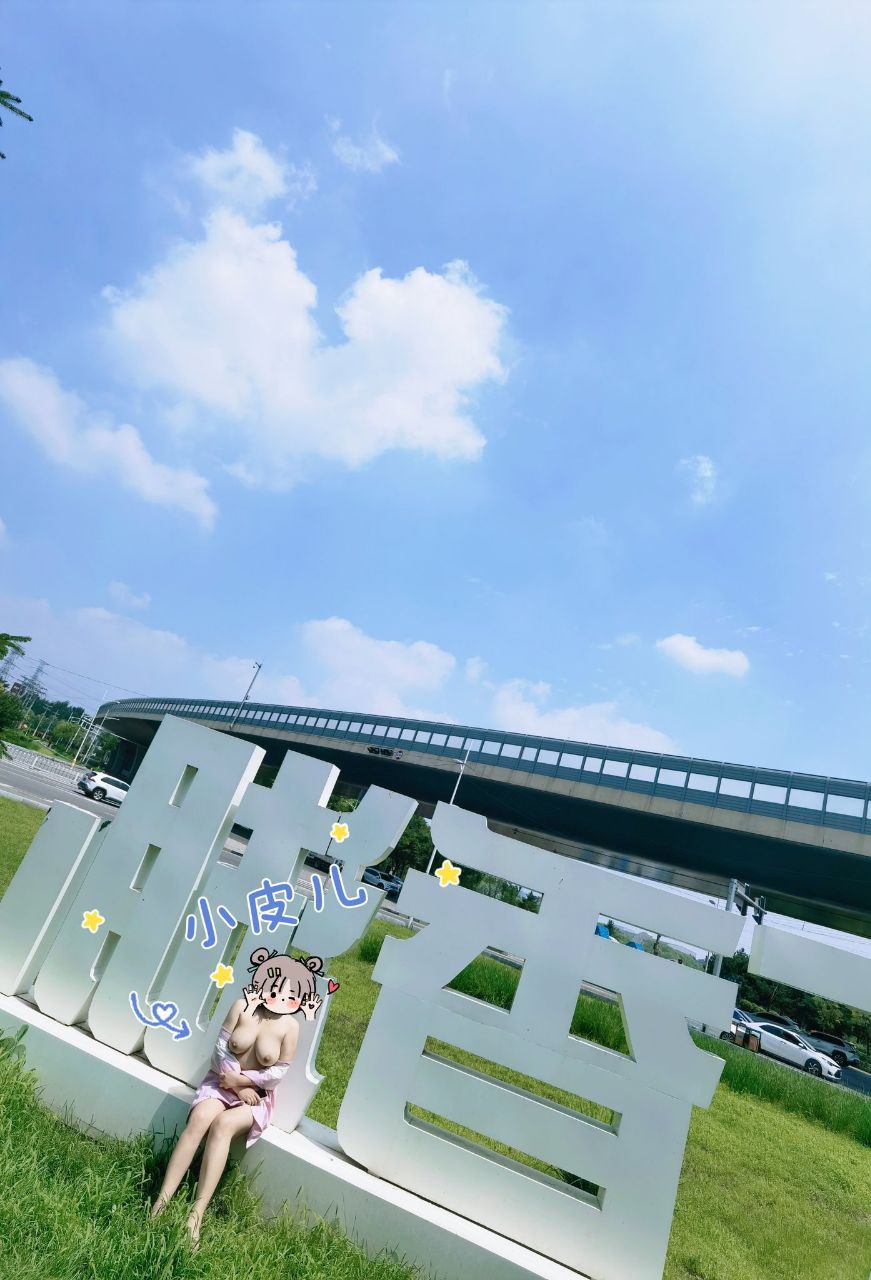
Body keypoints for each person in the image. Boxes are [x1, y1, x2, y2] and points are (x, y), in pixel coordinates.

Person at [150, 947, 323, 1245]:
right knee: (200, 1118)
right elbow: (220, 1050)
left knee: (223, 1125)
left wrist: (245, 1083)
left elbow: (278, 1072)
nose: (280, 995)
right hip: (221, 1082)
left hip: (257, 1096)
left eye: (291, 992)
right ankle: (160, 1204)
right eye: (275, 985)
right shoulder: (242, 1006)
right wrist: (235, 1085)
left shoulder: (290, 1026)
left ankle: (195, 1216)